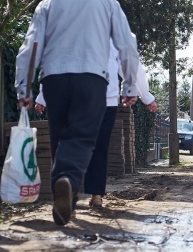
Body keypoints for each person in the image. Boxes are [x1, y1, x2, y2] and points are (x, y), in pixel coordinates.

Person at [15, 0, 140, 226]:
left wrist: (24, 88)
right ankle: (68, 181)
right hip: (92, 79)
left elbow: (31, 47)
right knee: (82, 137)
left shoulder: (49, 1)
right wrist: (130, 85)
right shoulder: (106, 1)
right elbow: (126, 45)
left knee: (60, 138)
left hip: (54, 79)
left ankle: (67, 205)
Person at [36, 40, 158, 207]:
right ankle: (96, 196)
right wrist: (146, 96)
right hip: (105, 98)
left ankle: (69, 191)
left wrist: (43, 96)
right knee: (99, 147)